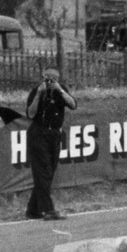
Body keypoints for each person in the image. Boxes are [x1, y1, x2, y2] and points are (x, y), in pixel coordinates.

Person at [25, 67, 77, 221]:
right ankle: (48, 210)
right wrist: (39, 94)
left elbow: (73, 105)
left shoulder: (61, 91)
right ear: (43, 77)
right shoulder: (36, 91)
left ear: (58, 79)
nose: (49, 82)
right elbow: (30, 113)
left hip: (54, 134)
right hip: (38, 133)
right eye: (47, 78)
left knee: (49, 172)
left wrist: (60, 90)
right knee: (43, 172)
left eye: (53, 79)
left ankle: (33, 210)